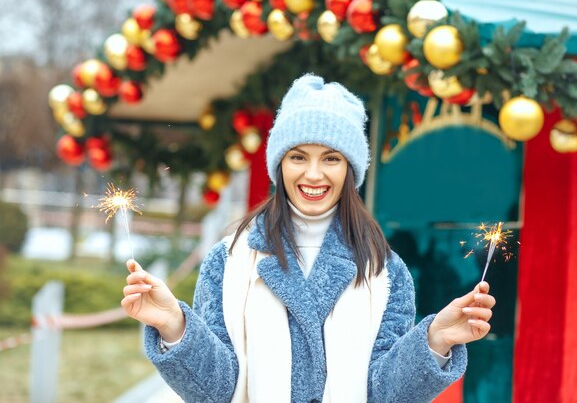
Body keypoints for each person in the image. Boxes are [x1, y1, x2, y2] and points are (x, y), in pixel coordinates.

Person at [121, 74, 496, 403]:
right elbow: (217, 391)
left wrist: (435, 341)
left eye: (331, 158)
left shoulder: (385, 270)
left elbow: (384, 394)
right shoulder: (230, 260)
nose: (313, 174)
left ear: (351, 168)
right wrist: (175, 326)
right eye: (298, 157)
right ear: (279, 163)